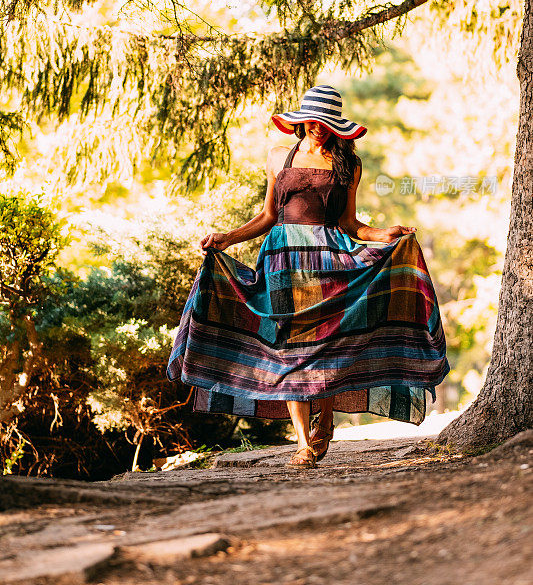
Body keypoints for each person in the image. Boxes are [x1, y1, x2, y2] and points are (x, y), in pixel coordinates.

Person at [167, 85, 449, 468]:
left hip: (331, 261)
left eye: (328, 122)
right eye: (315, 120)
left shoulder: (350, 165)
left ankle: (327, 420)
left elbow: (350, 223)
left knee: (326, 346)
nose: (320, 127)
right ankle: (303, 444)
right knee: (290, 349)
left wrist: (385, 235)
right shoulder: (279, 157)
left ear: (337, 127)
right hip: (283, 262)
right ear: (303, 121)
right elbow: (268, 217)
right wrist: (226, 238)